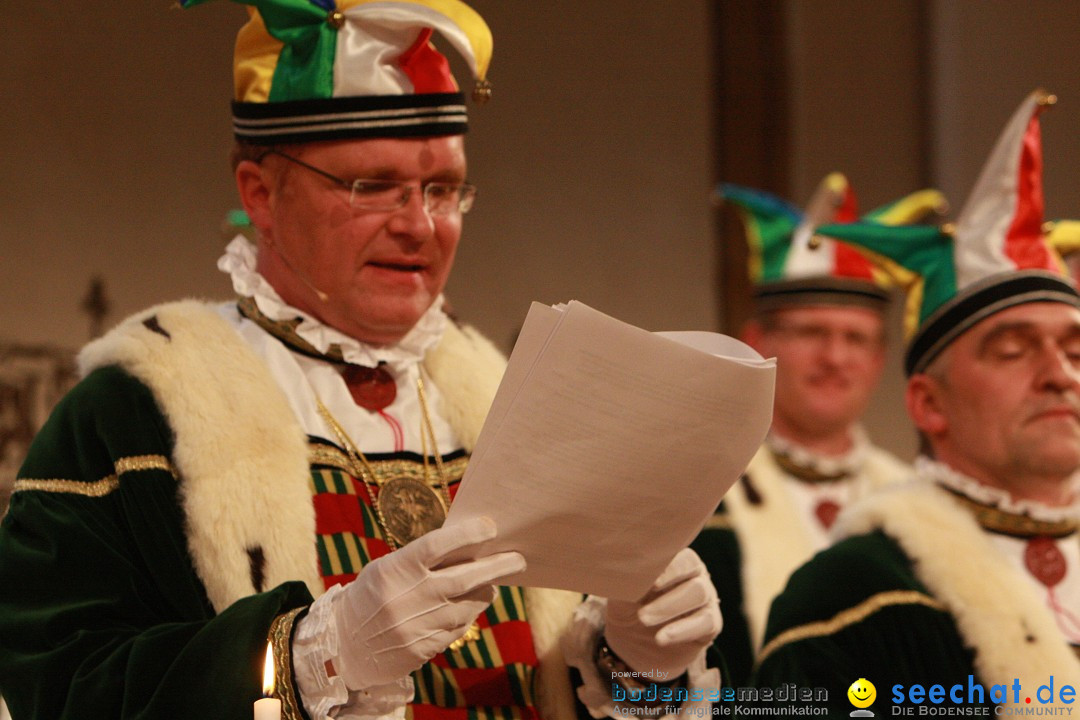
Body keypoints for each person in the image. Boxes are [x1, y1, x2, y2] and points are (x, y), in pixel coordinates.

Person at [0, 2, 723, 719]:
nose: (417, 226)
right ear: (260, 193)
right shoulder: (133, 413)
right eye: (370, 186)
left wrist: (631, 662)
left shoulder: (515, 401)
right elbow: (56, 691)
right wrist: (313, 656)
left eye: (442, 189)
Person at [755, 89, 1080, 709]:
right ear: (929, 404)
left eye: (1077, 352)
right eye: (1013, 351)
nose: (1058, 374)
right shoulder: (848, 595)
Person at [694, 175, 941, 683]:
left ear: (879, 359)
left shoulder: (921, 503)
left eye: (856, 338)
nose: (835, 358)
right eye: (813, 333)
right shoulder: (699, 494)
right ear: (757, 342)